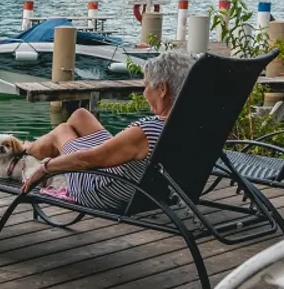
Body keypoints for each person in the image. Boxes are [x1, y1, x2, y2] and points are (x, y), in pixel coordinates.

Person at [17, 49, 195, 209]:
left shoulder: (147, 132)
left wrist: (45, 168)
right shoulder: (193, 123)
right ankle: (30, 147)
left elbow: (86, 160)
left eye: (147, 86)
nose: (144, 93)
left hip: (99, 189)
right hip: (156, 187)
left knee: (62, 131)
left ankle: (27, 150)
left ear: (162, 89)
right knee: (81, 115)